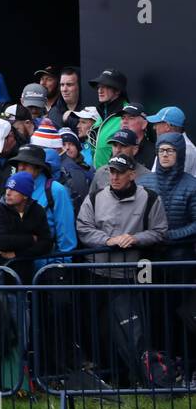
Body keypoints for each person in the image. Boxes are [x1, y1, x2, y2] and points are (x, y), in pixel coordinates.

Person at [75, 155, 168, 384]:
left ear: (132, 175)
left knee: (131, 332)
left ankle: (134, 376)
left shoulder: (150, 199)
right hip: (96, 274)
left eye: (119, 172)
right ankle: (109, 376)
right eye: (111, 172)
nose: (114, 177)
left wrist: (135, 239)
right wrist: (108, 240)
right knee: (99, 329)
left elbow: (159, 231)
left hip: (129, 276)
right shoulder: (95, 197)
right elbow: (83, 228)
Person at [0, 172, 52, 283]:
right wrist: (31, 239)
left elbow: (46, 243)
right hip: (0, 276)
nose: (8, 193)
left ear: (25, 195)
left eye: (14, 189)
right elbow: (1, 242)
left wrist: (17, 254)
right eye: (7, 188)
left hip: (27, 276)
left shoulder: (37, 211)